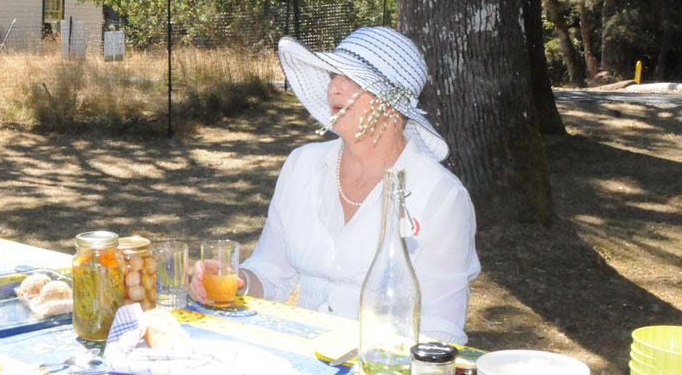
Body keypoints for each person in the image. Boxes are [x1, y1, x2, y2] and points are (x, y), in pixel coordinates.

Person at [189, 27, 481, 344]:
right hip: (300, 358)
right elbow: (272, 272)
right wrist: (238, 281)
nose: (334, 88)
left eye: (353, 79)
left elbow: (441, 331)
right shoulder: (301, 166)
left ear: (394, 104)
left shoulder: (441, 196)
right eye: (333, 74)